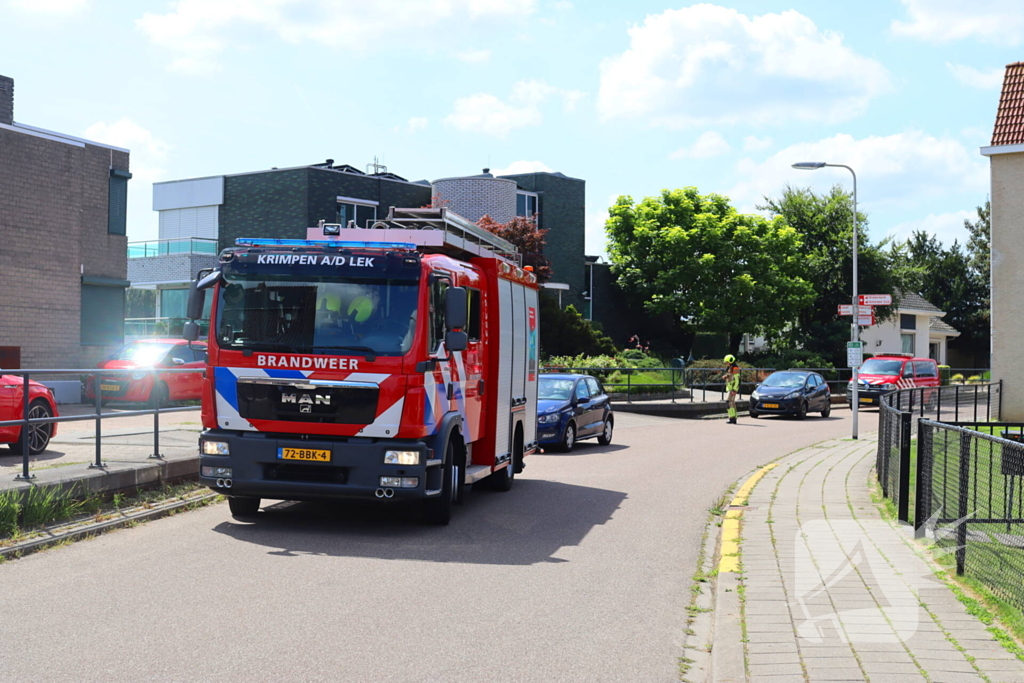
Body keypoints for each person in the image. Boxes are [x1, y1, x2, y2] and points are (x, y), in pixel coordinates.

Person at [722, 354, 741, 424]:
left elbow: (737, 380)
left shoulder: (735, 368)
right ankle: (733, 418)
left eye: (727, 362)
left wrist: (734, 389)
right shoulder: (730, 368)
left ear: (731, 361)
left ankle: (732, 417)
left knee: (728, 402)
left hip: (732, 389)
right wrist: (726, 376)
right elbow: (731, 376)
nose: (726, 363)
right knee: (731, 403)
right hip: (730, 388)